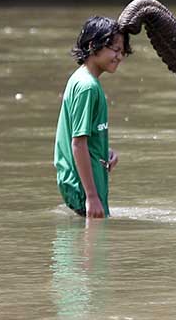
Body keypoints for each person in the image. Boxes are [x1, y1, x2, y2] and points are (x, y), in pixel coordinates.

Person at [53, 16, 131, 218]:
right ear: (92, 46)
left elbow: (85, 138)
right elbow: (78, 144)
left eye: (122, 51)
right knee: (92, 246)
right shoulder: (87, 87)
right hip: (84, 189)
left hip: (86, 185)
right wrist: (92, 197)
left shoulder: (84, 80)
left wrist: (105, 151)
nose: (119, 56)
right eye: (114, 49)